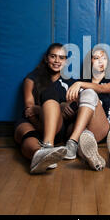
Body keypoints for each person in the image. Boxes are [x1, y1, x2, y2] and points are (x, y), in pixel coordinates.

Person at [14, 43, 76, 174]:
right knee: (27, 136)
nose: (57, 61)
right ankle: (41, 156)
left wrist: (41, 109)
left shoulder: (70, 83)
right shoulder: (32, 78)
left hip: (55, 129)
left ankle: (48, 146)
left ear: (65, 61)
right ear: (46, 58)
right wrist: (38, 119)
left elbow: (69, 111)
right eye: (53, 56)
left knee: (50, 94)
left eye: (61, 57)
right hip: (31, 121)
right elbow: (29, 108)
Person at [62, 47, 110, 171]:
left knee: (89, 92)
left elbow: (103, 89)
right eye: (97, 58)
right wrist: (64, 106)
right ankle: (91, 157)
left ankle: (72, 142)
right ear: (90, 61)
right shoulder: (80, 82)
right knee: (83, 136)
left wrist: (80, 84)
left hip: (101, 128)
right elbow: (68, 107)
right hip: (78, 127)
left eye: (104, 58)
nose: (101, 61)